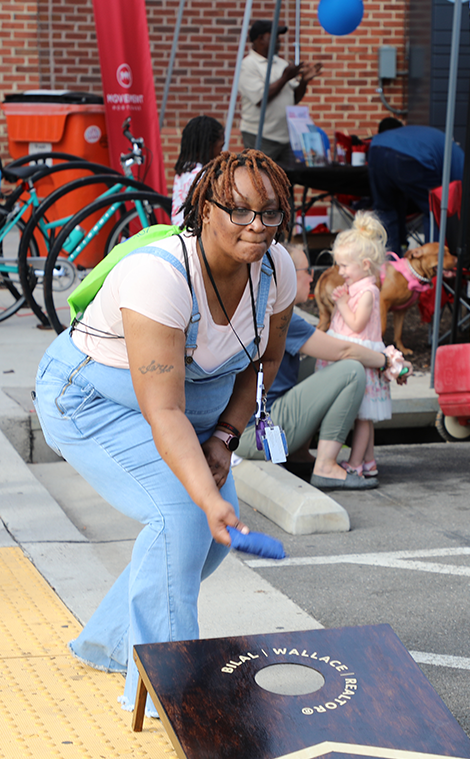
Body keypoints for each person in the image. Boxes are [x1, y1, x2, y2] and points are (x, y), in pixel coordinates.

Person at [33, 150, 297, 716]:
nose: (258, 227)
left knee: (202, 544)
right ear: (205, 208)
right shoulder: (160, 274)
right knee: (182, 517)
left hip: (195, 415)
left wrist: (225, 438)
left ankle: (108, 640)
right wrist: (204, 495)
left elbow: (263, 366)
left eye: (271, 213)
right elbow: (164, 412)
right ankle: (174, 693)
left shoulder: (277, 269)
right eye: (241, 211)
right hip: (90, 401)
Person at [236, 242, 409, 489]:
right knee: (351, 371)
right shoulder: (280, 316)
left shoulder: (260, 306)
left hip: (246, 427)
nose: (312, 277)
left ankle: (298, 455)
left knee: (321, 364)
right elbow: (344, 350)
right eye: (307, 270)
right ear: (286, 275)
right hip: (256, 436)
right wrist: (388, 362)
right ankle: (326, 466)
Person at [316, 211, 391, 478]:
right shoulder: (361, 287)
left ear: (366, 264)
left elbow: (357, 324)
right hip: (358, 357)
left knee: (362, 418)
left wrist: (342, 304)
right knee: (363, 417)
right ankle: (369, 461)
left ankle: (356, 462)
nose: (341, 271)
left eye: (345, 266)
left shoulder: (369, 292)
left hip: (362, 359)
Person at [368, 124, 465, 255]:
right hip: (413, 155)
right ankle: (434, 263)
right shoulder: (463, 163)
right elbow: (457, 194)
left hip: (377, 148)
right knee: (434, 210)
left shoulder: (448, 146)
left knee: (385, 210)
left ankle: (389, 264)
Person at [238, 19, 323, 168]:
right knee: (261, 183)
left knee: (286, 183)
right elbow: (260, 99)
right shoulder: (248, 65)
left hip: (285, 138)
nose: (279, 41)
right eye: (274, 36)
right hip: (260, 137)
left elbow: (294, 99)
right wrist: (285, 78)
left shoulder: (281, 63)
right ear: (260, 39)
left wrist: (303, 81)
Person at [171, 115, 224, 225]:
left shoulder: (186, 168)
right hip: (193, 235)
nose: (222, 153)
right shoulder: (202, 175)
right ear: (209, 145)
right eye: (221, 147)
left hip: (179, 232)